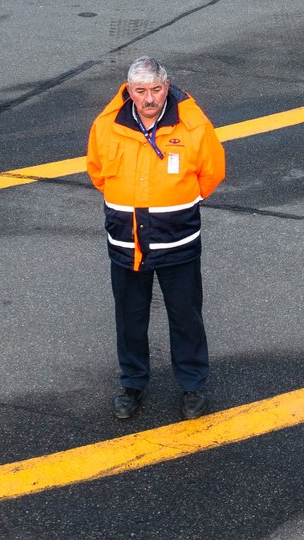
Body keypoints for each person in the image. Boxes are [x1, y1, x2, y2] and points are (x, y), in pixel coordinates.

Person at [86, 56, 225, 422]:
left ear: (167, 86)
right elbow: (98, 172)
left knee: (186, 316)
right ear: (128, 90)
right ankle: (132, 383)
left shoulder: (193, 126)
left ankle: (193, 385)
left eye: (157, 89)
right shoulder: (105, 127)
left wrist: (176, 203)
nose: (149, 99)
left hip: (177, 241)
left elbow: (212, 172)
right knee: (130, 317)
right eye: (141, 91)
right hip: (126, 242)